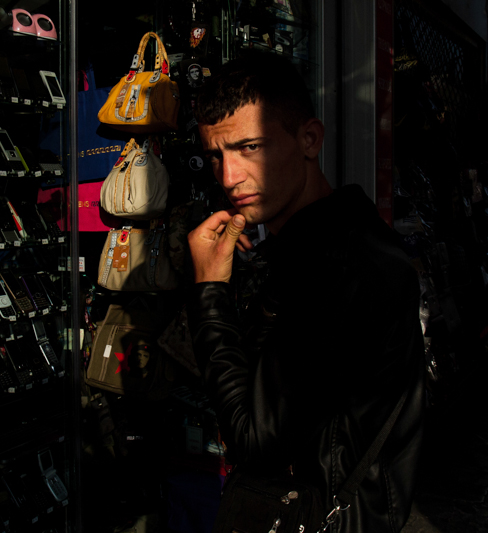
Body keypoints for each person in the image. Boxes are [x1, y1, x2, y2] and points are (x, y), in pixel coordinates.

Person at [186, 51, 425, 533]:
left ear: (309, 139)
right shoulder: (327, 246)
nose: (229, 177)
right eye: (216, 155)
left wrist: (209, 290)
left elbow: (254, 441)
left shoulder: (337, 268)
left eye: (250, 147)